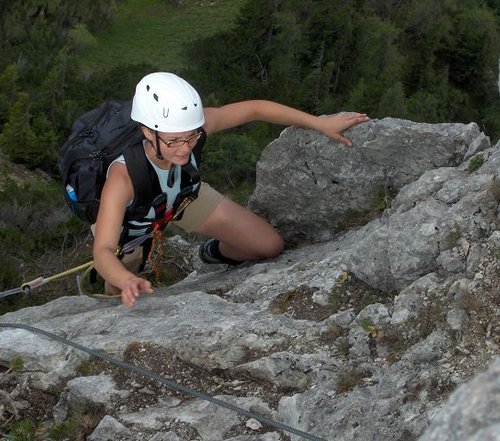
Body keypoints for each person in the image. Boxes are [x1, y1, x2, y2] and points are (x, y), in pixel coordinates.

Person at [92, 72, 369, 307]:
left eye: (192, 137)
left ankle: (213, 253)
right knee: (121, 298)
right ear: (146, 132)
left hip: (181, 196)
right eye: (174, 141)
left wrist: (320, 124)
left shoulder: (190, 128)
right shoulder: (122, 178)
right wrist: (126, 280)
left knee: (269, 245)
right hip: (132, 223)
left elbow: (255, 109)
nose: (186, 148)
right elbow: (103, 250)